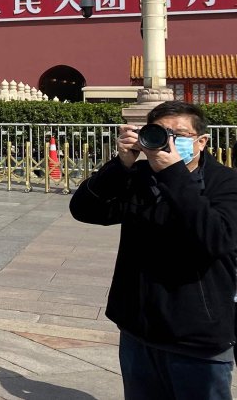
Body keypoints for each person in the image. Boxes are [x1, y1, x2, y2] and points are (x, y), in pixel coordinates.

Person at [70, 101, 237, 399]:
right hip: (139, 329)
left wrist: (174, 174)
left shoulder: (226, 183)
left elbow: (215, 239)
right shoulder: (140, 177)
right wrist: (120, 165)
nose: (169, 141)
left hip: (197, 336)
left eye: (179, 135)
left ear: (201, 141)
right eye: (162, 133)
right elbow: (85, 209)